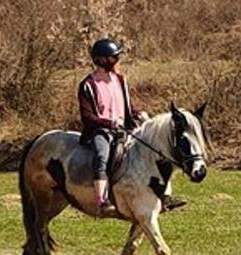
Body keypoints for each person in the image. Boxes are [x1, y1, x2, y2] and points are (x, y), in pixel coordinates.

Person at [78, 38, 184, 214]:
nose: (117, 61)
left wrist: (138, 114)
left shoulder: (120, 80)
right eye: (114, 57)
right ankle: (102, 201)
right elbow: (87, 117)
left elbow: (126, 106)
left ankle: (162, 195)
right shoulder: (88, 85)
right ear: (103, 60)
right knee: (102, 157)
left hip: (124, 129)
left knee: (155, 152)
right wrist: (109, 123)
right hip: (101, 131)